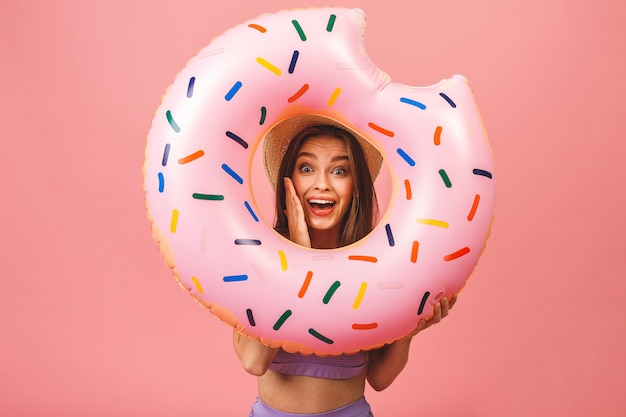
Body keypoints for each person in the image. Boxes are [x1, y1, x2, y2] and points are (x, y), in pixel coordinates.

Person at [233, 114, 457, 417]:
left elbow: (379, 378)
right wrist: (298, 254)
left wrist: (409, 329)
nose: (322, 184)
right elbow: (253, 361)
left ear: (355, 186)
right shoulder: (260, 255)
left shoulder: (375, 263)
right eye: (306, 168)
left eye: (339, 171)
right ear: (289, 179)